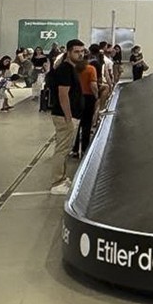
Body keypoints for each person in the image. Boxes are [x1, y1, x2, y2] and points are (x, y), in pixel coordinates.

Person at [47, 39, 86, 195]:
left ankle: (62, 178)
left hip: (71, 115)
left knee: (65, 148)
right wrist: (69, 118)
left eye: (82, 51)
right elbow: (63, 95)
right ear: (68, 52)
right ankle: (56, 182)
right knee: (62, 150)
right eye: (77, 51)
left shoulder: (72, 68)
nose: (80, 54)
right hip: (64, 116)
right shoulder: (65, 69)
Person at [75, 46, 99, 157]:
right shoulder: (90, 69)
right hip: (88, 97)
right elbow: (93, 84)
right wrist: (97, 96)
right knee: (87, 124)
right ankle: (84, 148)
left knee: (77, 124)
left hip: (76, 97)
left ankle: (74, 149)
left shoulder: (74, 68)